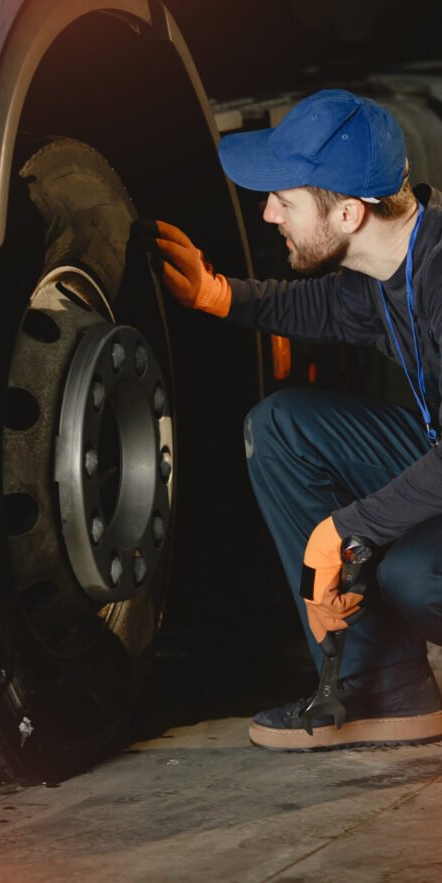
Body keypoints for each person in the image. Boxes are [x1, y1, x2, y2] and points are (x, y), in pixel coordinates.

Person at [148, 88, 442, 750]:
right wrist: (219, 295)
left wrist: (342, 530)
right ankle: (382, 689)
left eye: (286, 196)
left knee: (419, 576)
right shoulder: (386, 268)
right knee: (281, 427)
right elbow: (323, 311)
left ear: (346, 212)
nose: (268, 209)